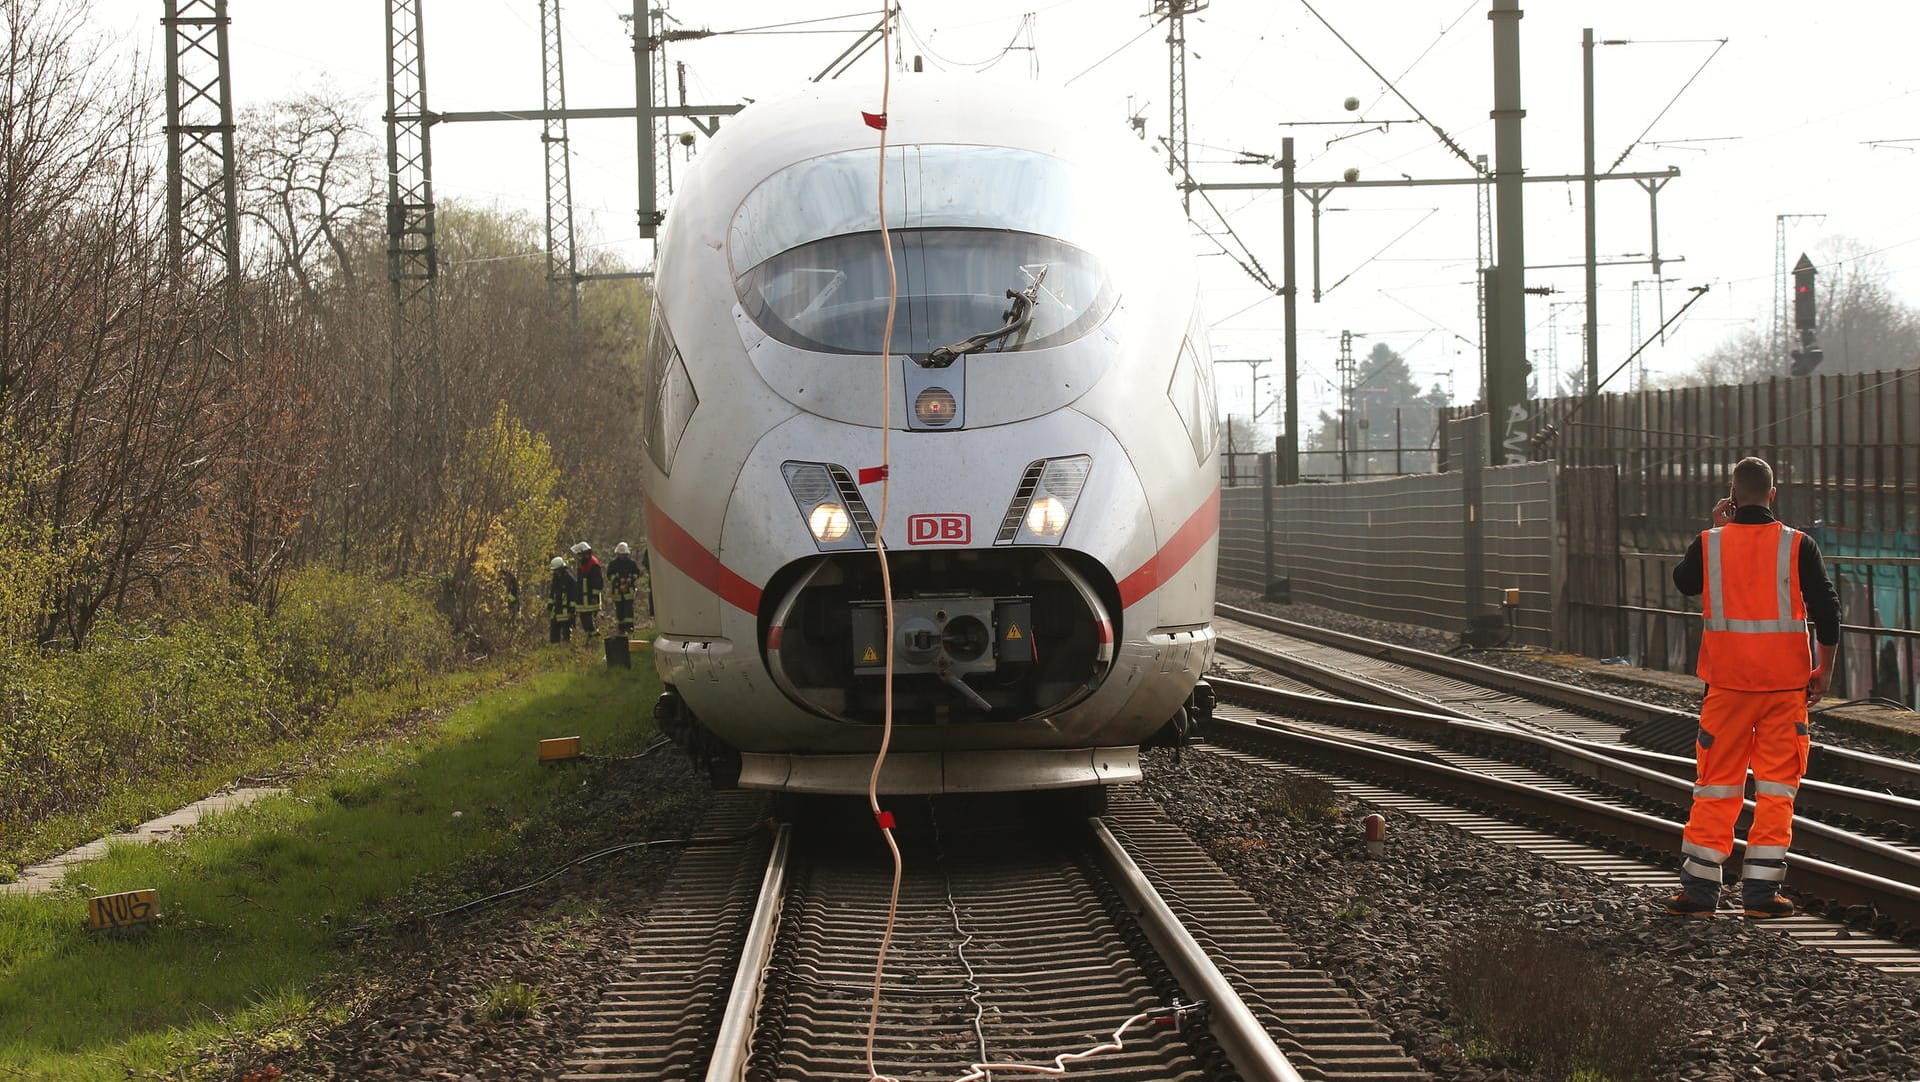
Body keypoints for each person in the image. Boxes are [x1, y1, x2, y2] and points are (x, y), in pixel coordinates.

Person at [1666, 456, 1840, 920]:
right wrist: (1823, 669)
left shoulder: (1710, 543)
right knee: (1777, 788)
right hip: (1785, 689)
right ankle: (1761, 896)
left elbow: (1683, 583)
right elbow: (1827, 609)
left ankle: (1701, 891)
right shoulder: (1798, 545)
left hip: (1727, 688)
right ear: (1773, 493)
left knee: (1716, 786)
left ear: (1733, 494)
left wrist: (1715, 527)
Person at [608, 541, 644, 636]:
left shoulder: (631, 563)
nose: (622, 556)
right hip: (617, 592)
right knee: (619, 610)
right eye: (621, 554)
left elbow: (637, 573)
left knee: (628, 609)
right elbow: (609, 575)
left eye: (624, 554)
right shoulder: (613, 564)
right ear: (617, 553)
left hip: (629, 591)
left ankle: (629, 627)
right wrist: (617, 581)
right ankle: (621, 628)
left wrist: (630, 579)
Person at [572, 541, 605, 640]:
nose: (579, 557)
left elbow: (597, 582)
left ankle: (594, 636)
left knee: (589, 618)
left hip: (590, 598)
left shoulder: (593, 564)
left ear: (585, 553)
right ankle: (590, 635)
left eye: (580, 554)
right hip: (583, 598)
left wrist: (594, 596)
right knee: (584, 618)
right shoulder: (583, 563)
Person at [546, 556, 577, 643]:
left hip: (566, 611)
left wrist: (572, 610)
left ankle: (566, 648)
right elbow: (552, 594)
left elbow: (573, 596)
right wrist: (549, 607)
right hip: (557, 610)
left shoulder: (569, 579)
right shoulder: (555, 579)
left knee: (566, 631)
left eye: (556, 570)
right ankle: (555, 647)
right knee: (554, 630)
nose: (554, 572)